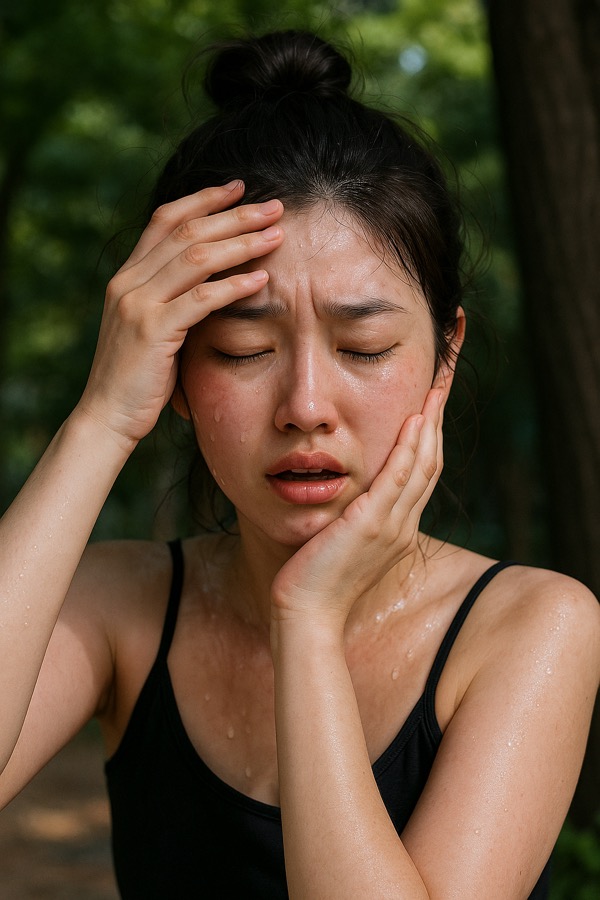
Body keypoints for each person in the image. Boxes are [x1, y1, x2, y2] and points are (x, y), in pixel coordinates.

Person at [0, 28, 598, 899]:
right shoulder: (122, 606)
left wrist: (308, 619)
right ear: (173, 371)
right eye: (243, 350)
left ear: (445, 354)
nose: (306, 405)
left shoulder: (531, 626)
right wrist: (102, 418)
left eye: (364, 347)